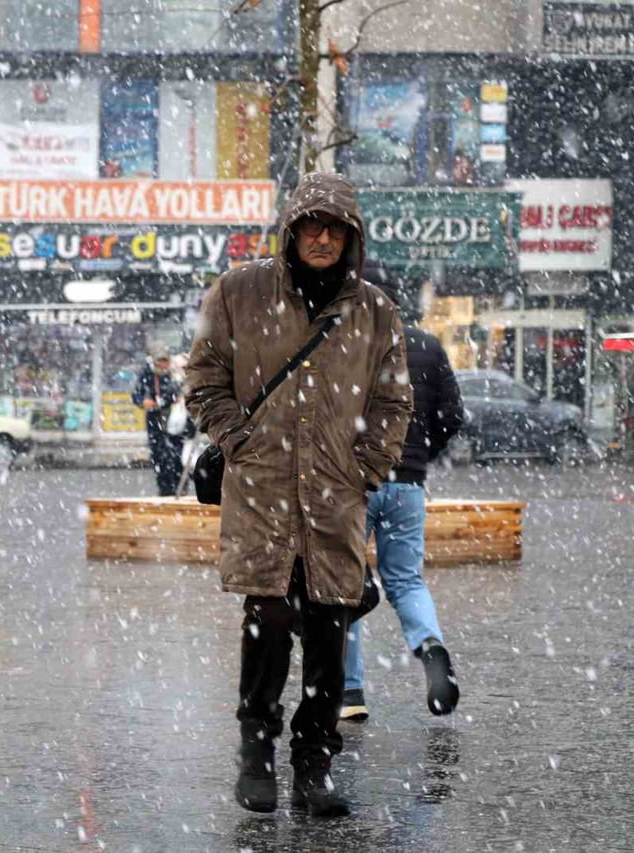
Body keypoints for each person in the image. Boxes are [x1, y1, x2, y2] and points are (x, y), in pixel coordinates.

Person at [185, 173, 413, 817]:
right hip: (262, 495)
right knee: (267, 625)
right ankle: (256, 753)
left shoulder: (375, 311)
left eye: (336, 229)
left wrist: (364, 469)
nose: (323, 238)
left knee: (328, 632)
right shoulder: (239, 293)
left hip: (335, 500)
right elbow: (203, 379)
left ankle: (315, 765)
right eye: (312, 225)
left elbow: (393, 402)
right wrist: (240, 441)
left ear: (352, 237)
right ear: (290, 231)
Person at [340, 287, 463, 723]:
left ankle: (350, 692)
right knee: (407, 580)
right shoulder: (427, 345)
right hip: (407, 483)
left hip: (354, 482)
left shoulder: (345, 344)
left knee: (345, 585)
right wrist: (421, 455)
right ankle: (430, 646)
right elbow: (453, 415)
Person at [132, 344, 185, 497]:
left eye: (165, 361)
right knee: (158, 454)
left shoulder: (176, 372)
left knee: (177, 454)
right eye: (159, 361)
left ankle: (179, 487)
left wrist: (180, 398)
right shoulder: (147, 374)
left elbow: (185, 389)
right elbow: (136, 395)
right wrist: (143, 402)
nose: (163, 365)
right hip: (155, 419)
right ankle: (164, 488)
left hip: (175, 418)